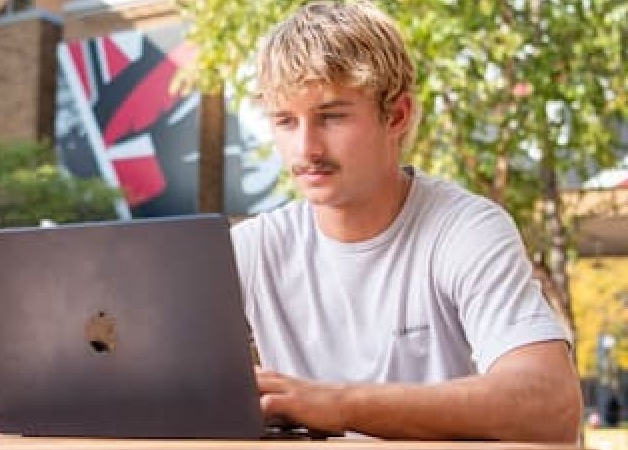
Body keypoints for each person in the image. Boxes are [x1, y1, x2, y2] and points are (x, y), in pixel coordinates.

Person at [230, 0, 582, 442]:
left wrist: (338, 406)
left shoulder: (465, 230)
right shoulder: (250, 248)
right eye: (285, 121)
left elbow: (550, 404)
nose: (306, 149)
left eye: (331, 117)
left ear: (396, 116)